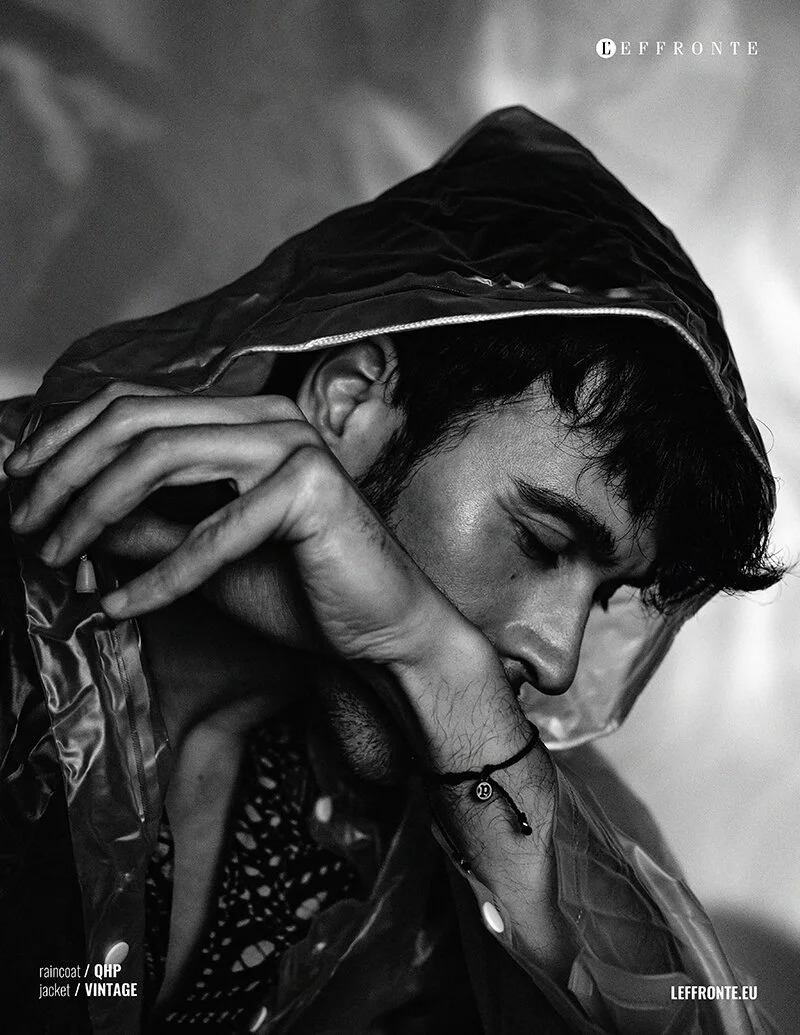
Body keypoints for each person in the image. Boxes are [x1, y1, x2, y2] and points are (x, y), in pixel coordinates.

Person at [0, 107, 784, 1034]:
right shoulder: (26, 623)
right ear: (350, 402)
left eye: (605, 593)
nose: (558, 659)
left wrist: (429, 656)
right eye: (539, 541)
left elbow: (682, 1014)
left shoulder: (467, 770)